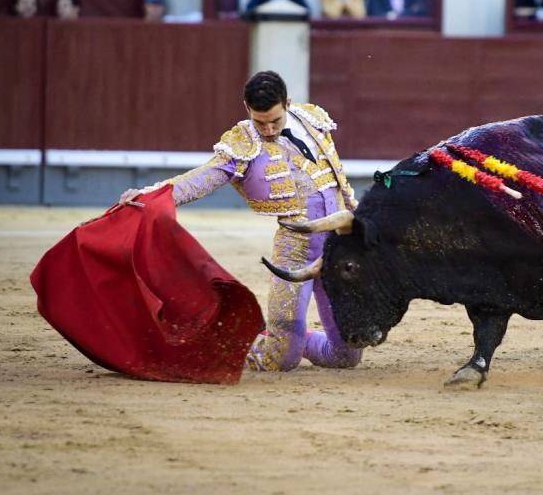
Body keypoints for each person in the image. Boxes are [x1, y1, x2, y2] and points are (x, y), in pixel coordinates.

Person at [118, 71, 363, 373]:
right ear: (246, 108)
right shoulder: (243, 143)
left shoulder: (312, 120)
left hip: (337, 250)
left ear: (288, 103)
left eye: (276, 120)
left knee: (346, 357)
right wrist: (151, 194)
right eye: (261, 122)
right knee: (281, 359)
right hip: (296, 252)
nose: (270, 129)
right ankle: (255, 341)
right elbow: (203, 178)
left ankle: (301, 339)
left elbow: (339, 181)